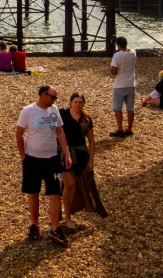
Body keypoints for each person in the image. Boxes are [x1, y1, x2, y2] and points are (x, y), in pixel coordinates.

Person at [16, 85, 73, 247]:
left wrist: (67, 154)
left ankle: (55, 228)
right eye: (52, 97)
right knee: (33, 192)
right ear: (42, 95)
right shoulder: (28, 111)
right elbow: (19, 133)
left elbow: (60, 132)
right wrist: (23, 155)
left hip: (52, 158)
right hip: (32, 159)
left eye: (56, 98)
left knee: (55, 193)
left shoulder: (54, 110)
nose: (55, 100)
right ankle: (34, 224)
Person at [59, 93, 97, 232]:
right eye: (75, 102)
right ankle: (67, 217)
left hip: (80, 154)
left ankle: (69, 211)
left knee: (74, 186)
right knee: (68, 184)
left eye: (80, 102)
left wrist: (91, 160)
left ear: (83, 104)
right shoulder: (62, 113)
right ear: (70, 103)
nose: (78, 104)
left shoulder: (86, 119)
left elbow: (91, 140)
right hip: (63, 153)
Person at [109, 36, 137, 137]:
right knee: (130, 108)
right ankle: (129, 129)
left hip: (120, 84)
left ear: (118, 45)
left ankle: (120, 129)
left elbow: (113, 72)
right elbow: (127, 50)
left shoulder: (117, 55)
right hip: (131, 84)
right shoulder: (133, 53)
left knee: (117, 107)